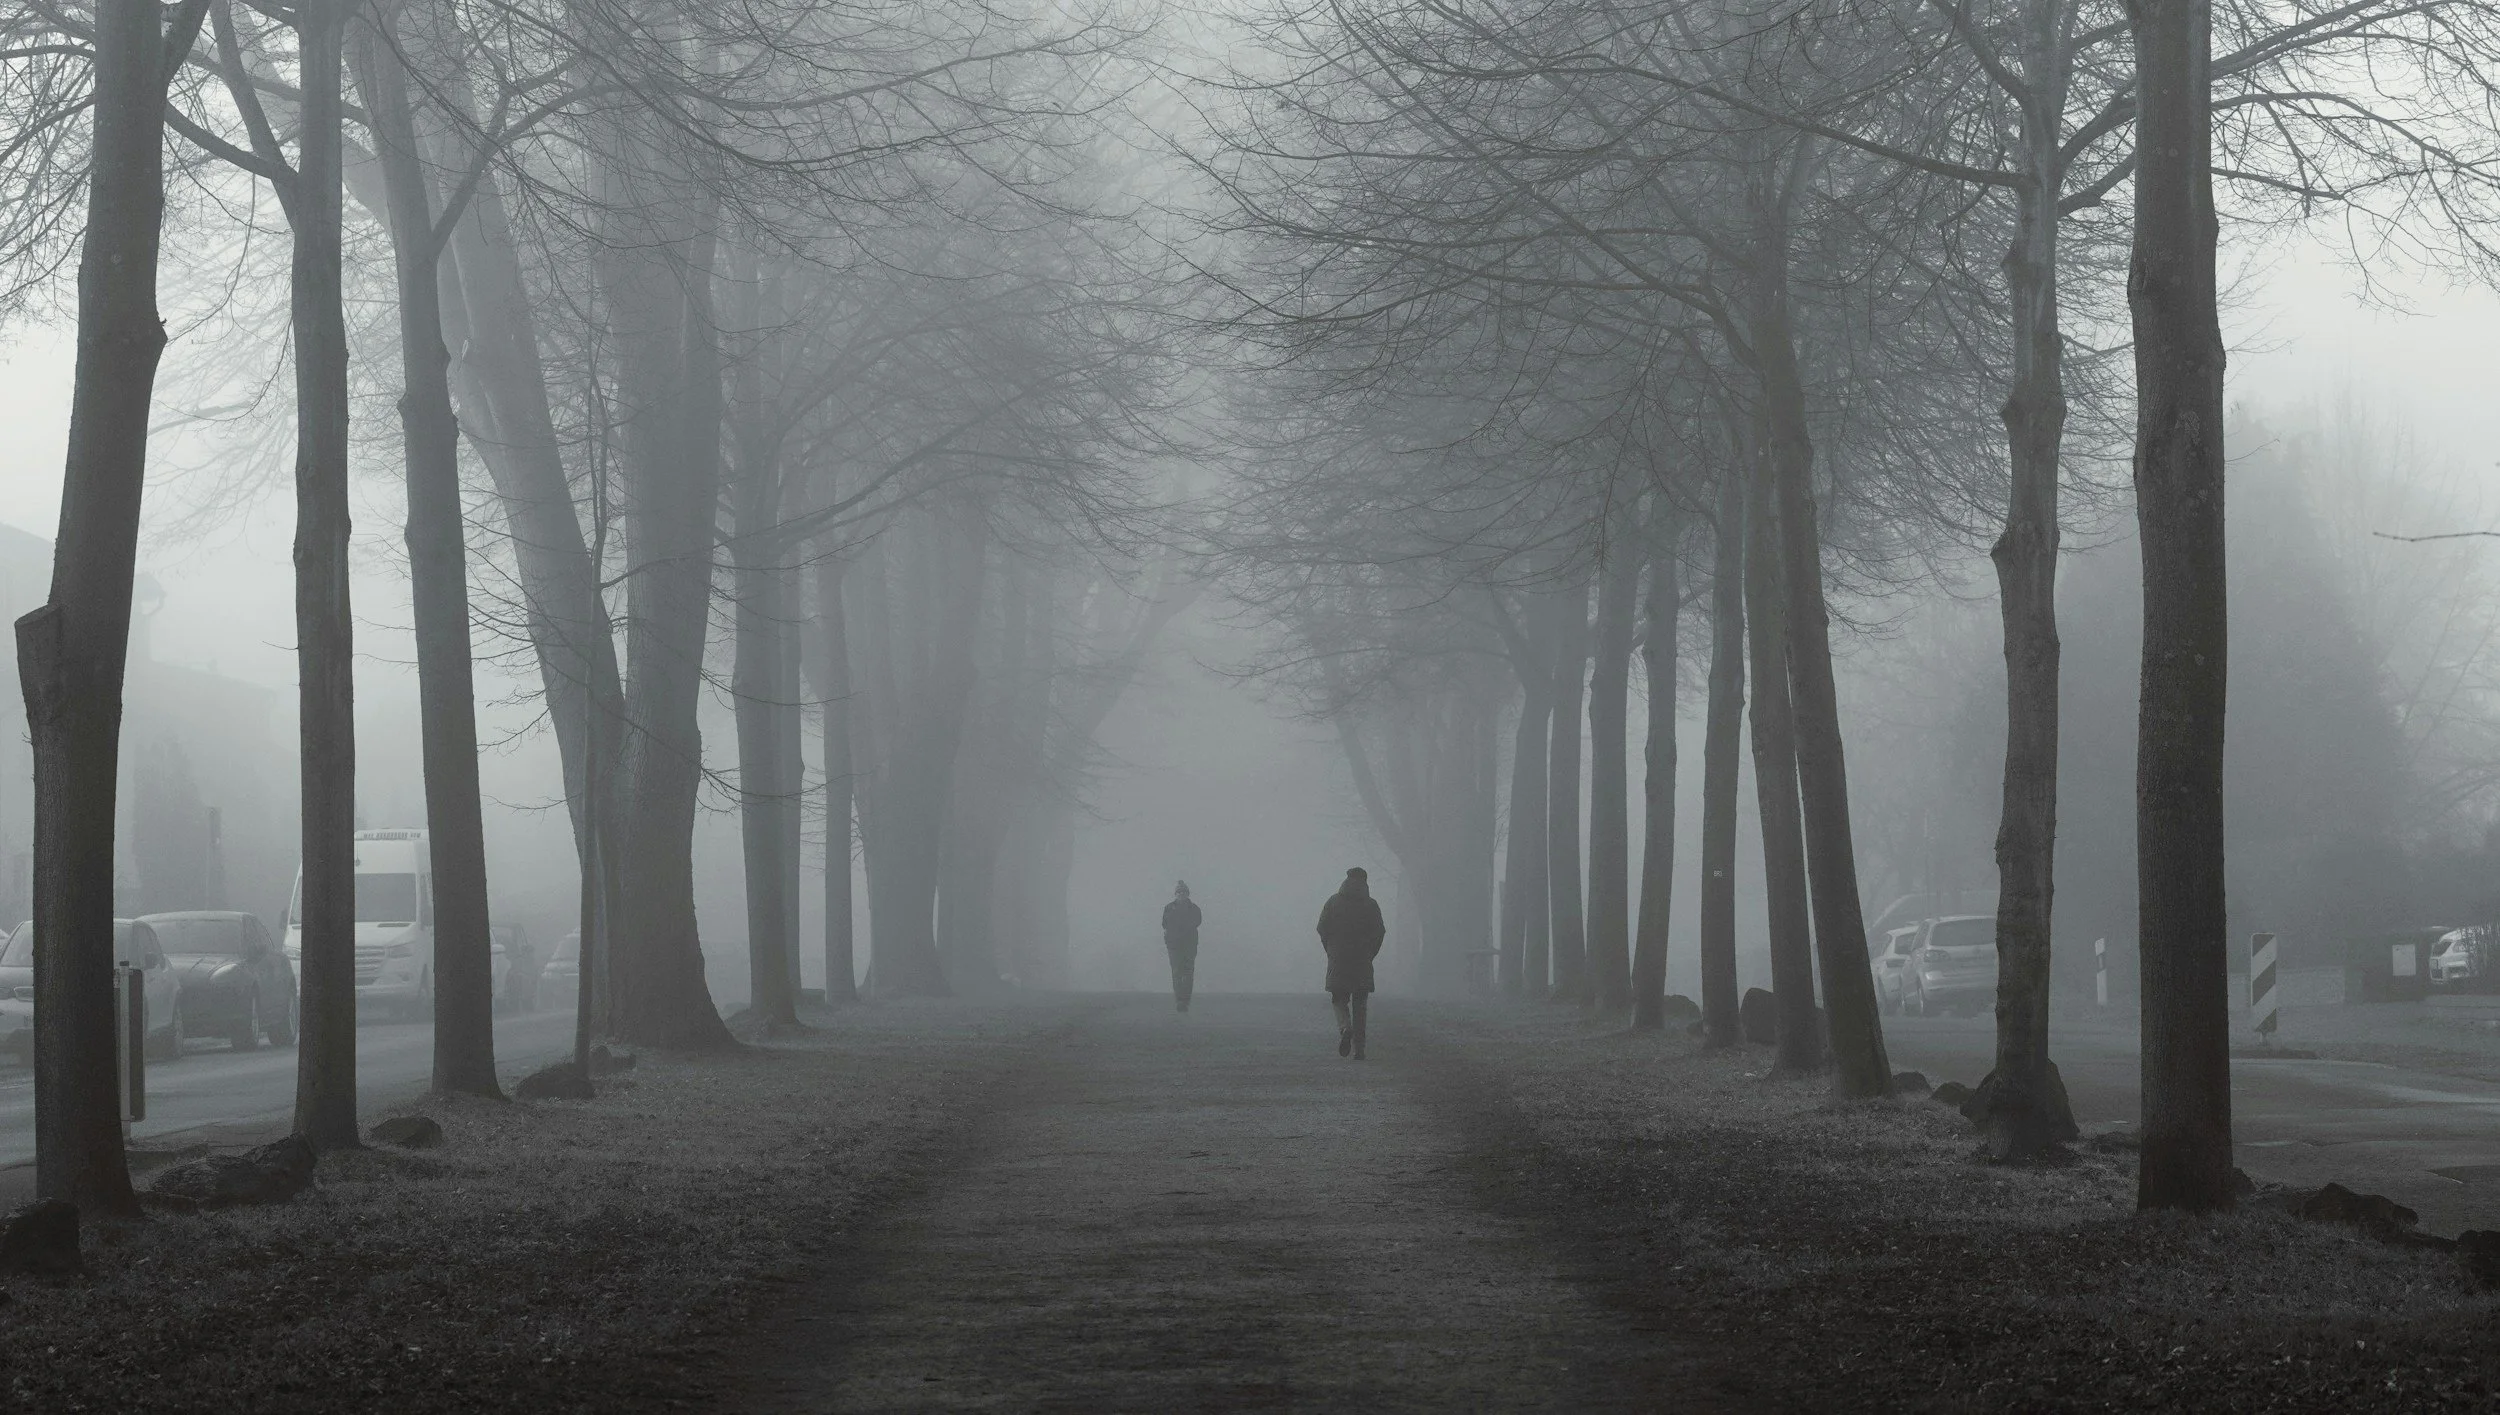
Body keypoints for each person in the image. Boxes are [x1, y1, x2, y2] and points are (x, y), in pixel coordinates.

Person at [1316, 867, 1387, 1059]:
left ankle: (1345, 1027)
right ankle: (1360, 1049)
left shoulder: (1333, 902)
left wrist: (1330, 949)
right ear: (1365, 882)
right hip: (1362, 959)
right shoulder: (1371, 905)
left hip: (1338, 958)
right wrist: (1370, 954)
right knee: (1360, 1004)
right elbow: (1380, 932)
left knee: (1338, 999)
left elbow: (1321, 928)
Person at [1160, 881, 1203, 1012]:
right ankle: (1179, 1000)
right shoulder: (1168, 907)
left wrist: (1181, 928)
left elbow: (1197, 922)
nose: (1181, 894)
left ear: (1187, 893)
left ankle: (1186, 1000)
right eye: (1179, 892)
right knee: (1177, 972)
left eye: (1183, 892)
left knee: (1188, 972)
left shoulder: (1194, 908)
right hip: (1174, 945)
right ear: (1175, 894)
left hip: (1189, 944)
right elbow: (1164, 924)